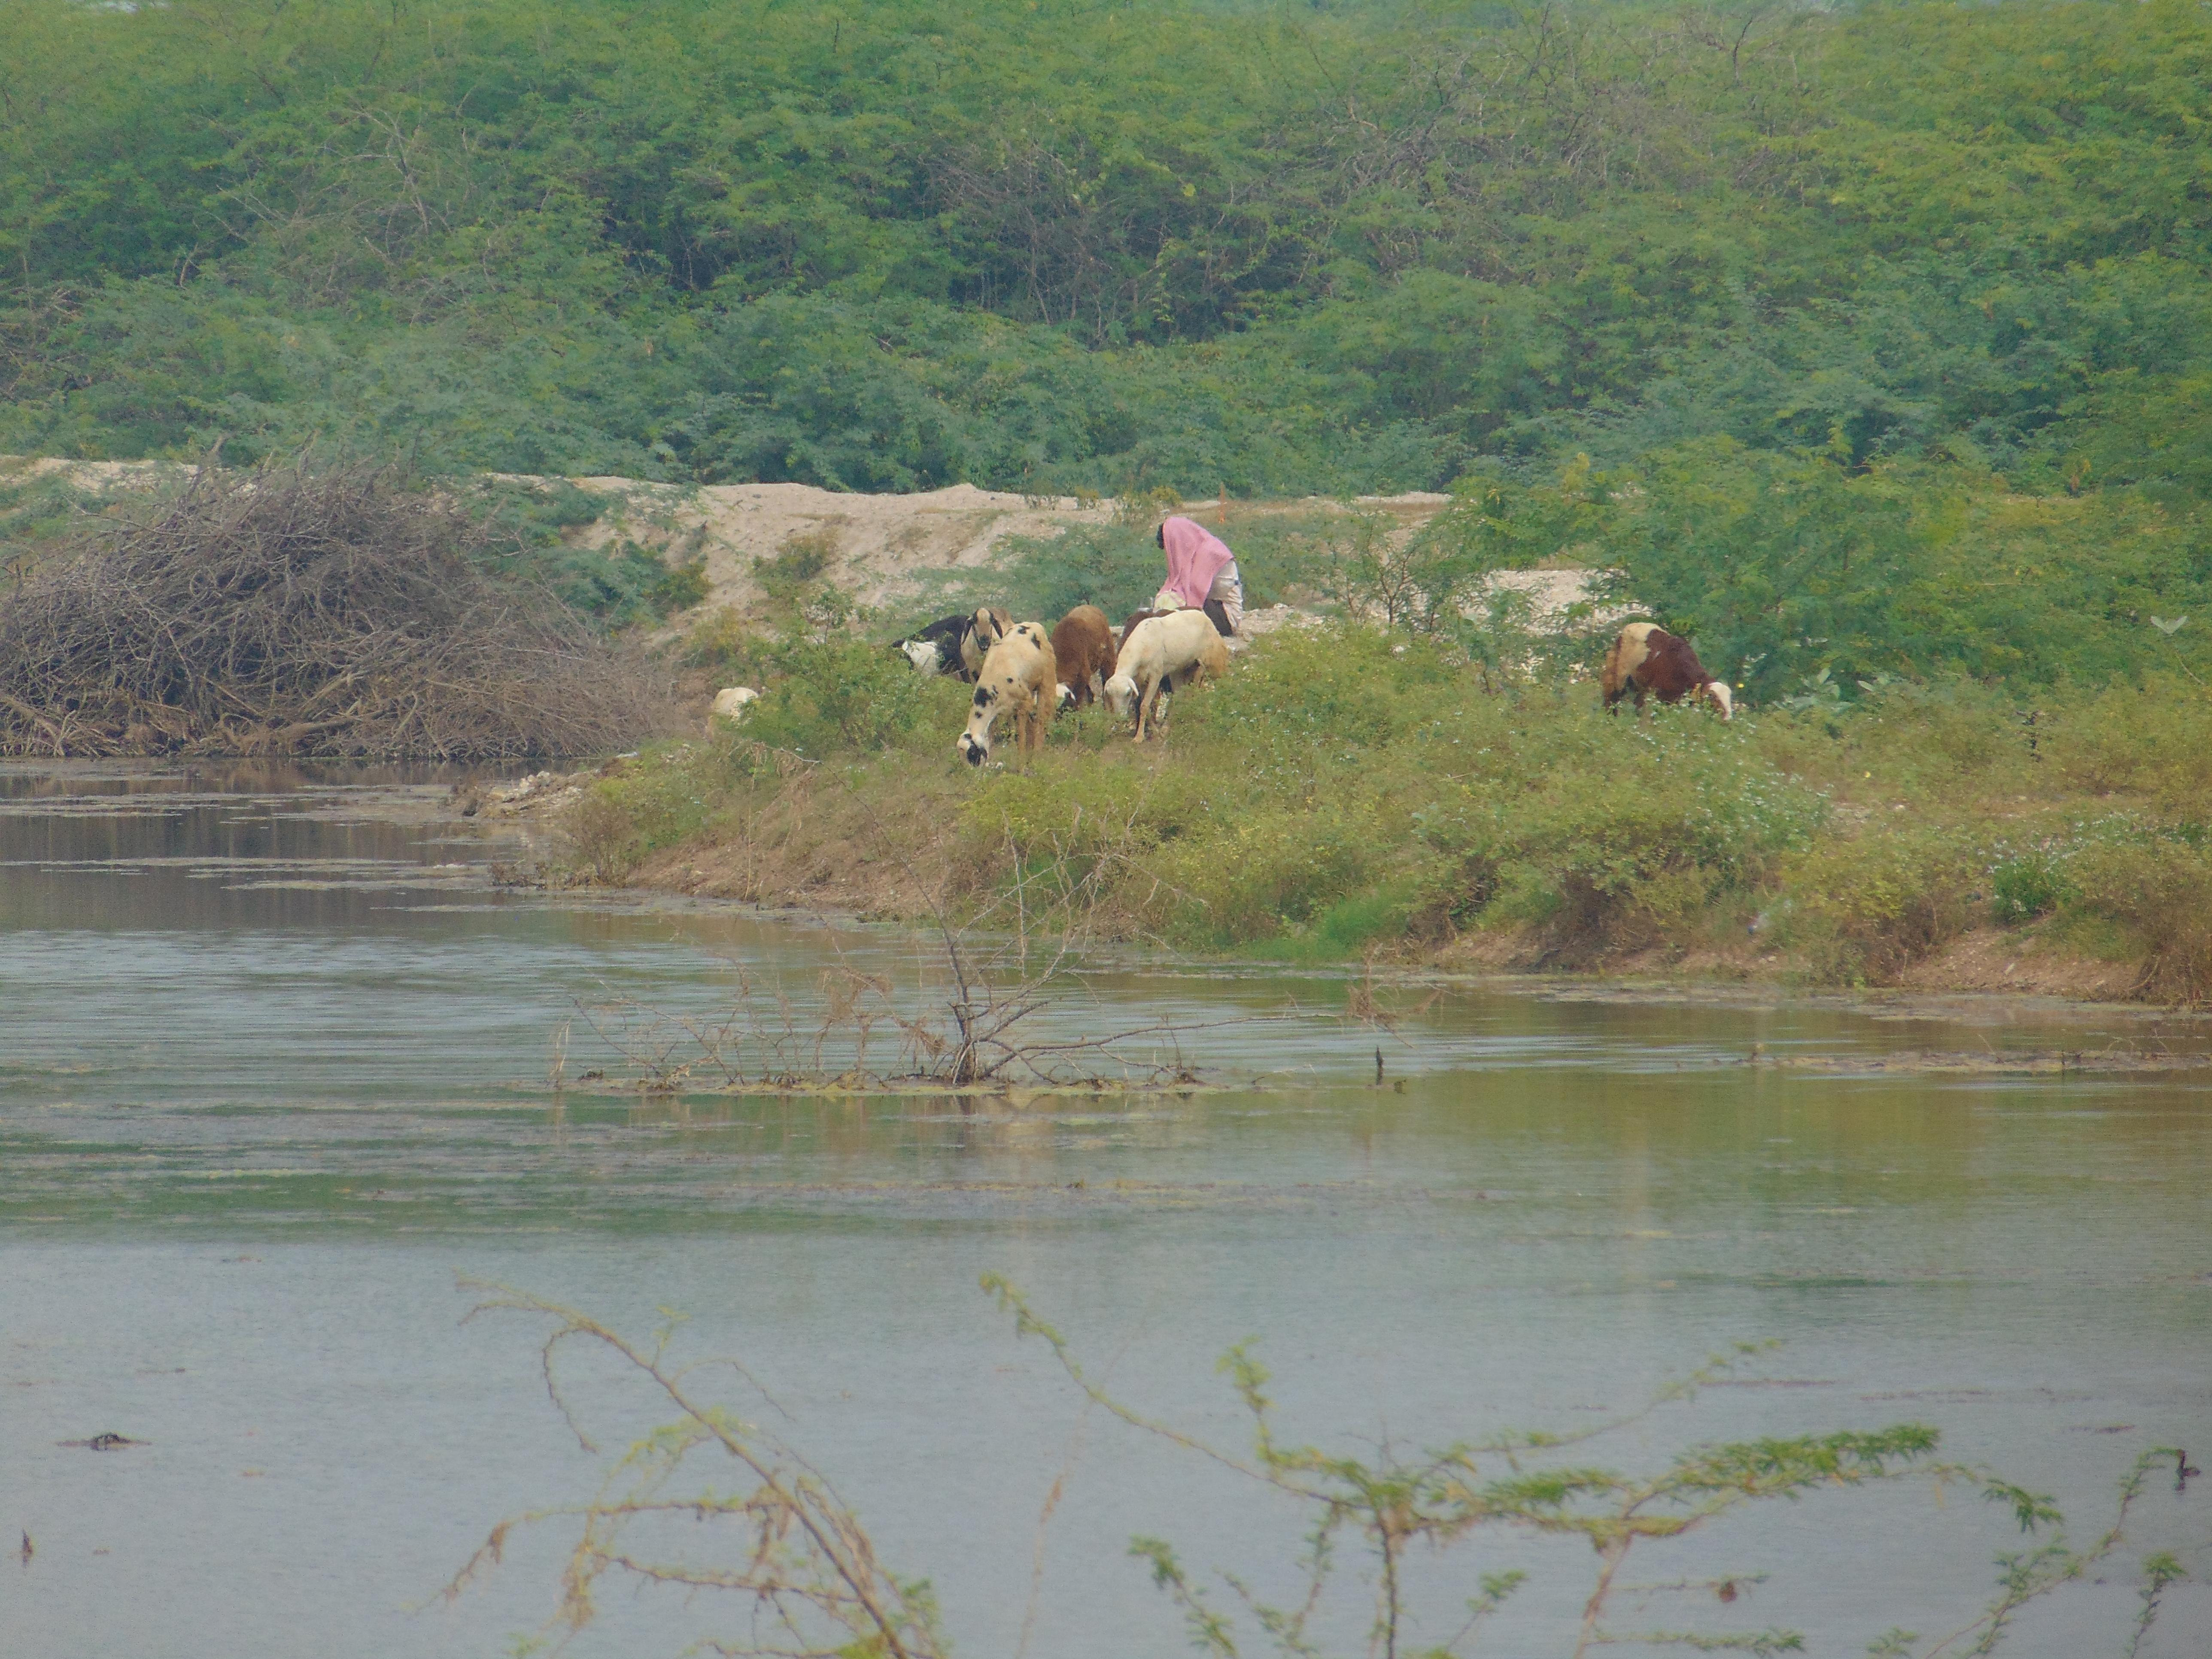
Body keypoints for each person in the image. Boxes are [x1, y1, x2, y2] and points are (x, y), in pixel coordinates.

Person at [1153, 515, 1243, 636]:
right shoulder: (1196, 551)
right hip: (1212, 607)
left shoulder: (1210, 552)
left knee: (1176, 616)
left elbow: (1194, 594)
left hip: (1226, 616)